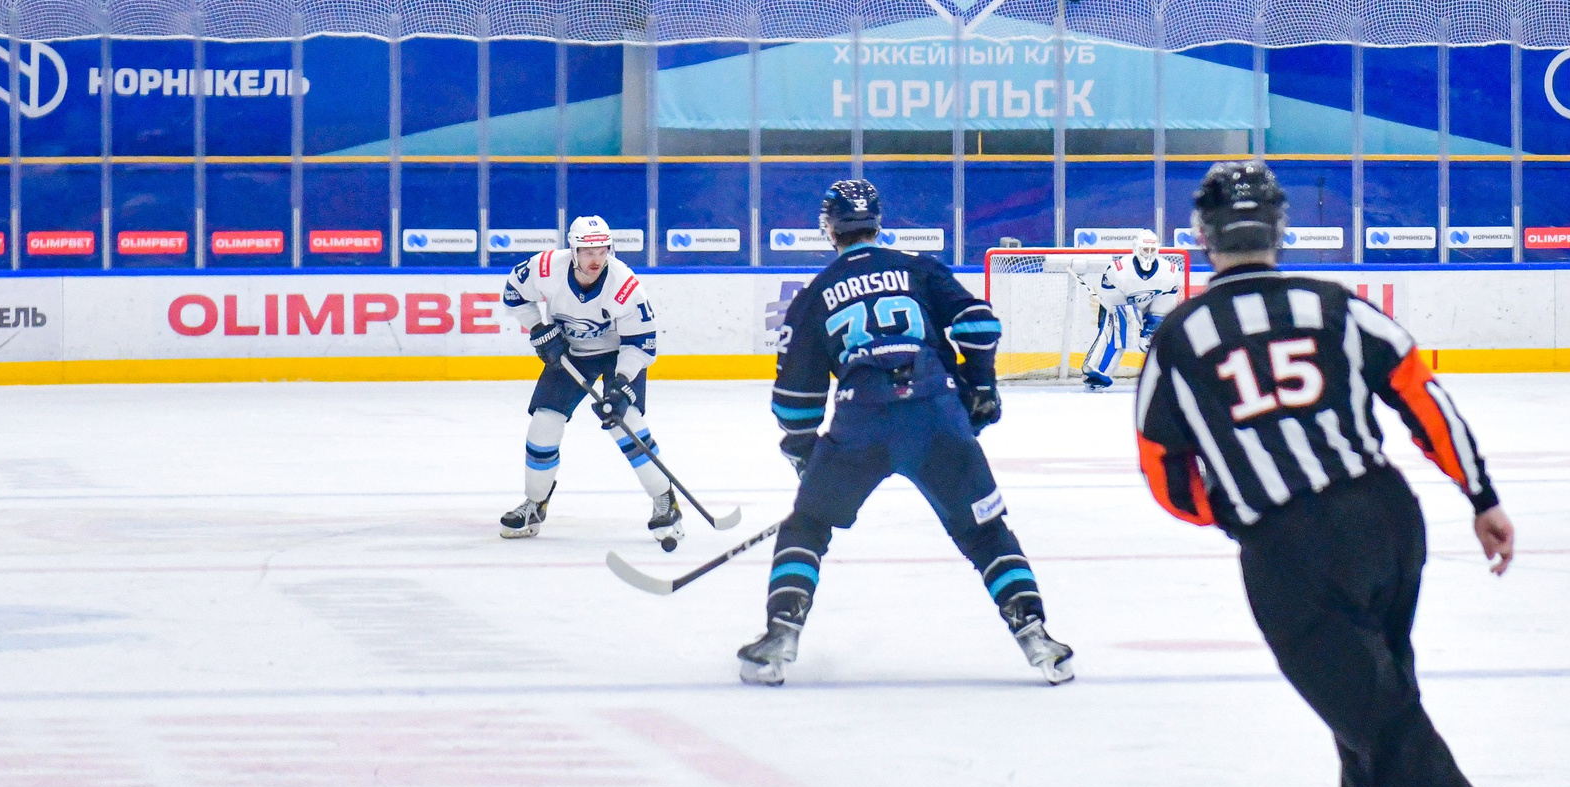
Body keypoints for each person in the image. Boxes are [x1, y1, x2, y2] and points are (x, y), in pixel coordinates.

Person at [1133, 160, 1567, 787]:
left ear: (1200, 236)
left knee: (1378, 710)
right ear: (1281, 228)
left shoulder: (1179, 334)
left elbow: (1163, 472)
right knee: (1375, 683)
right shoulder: (1335, 306)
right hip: (1386, 521)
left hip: (1285, 547)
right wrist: (1481, 496)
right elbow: (1425, 399)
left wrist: (1236, 511)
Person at [740, 178, 1072, 687]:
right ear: (878, 221)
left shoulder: (814, 295)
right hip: (936, 412)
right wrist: (981, 388)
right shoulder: (918, 268)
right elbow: (979, 324)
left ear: (828, 228)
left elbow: (794, 401)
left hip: (861, 422)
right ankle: (1037, 637)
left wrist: (808, 458)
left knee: (806, 527)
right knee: (986, 532)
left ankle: (781, 636)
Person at [497, 215, 680, 549]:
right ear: (573, 249)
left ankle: (664, 497)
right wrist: (537, 328)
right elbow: (513, 293)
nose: (596, 259)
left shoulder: (625, 285)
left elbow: (642, 343)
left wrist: (621, 381)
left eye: (602, 250)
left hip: (617, 353)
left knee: (625, 422)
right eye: (588, 251)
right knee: (544, 424)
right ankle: (535, 504)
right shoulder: (546, 267)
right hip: (570, 352)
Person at [1082, 229, 1182, 390]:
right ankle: (1098, 375)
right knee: (1118, 331)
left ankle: (1170, 378)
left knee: (1155, 341)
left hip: (1150, 306)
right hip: (1120, 305)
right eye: (1145, 249)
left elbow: (1165, 301)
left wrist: (1152, 324)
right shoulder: (1119, 270)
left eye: (1152, 250)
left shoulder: (1169, 272)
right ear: (1136, 249)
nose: (1148, 254)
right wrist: (1129, 317)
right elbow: (1109, 297)